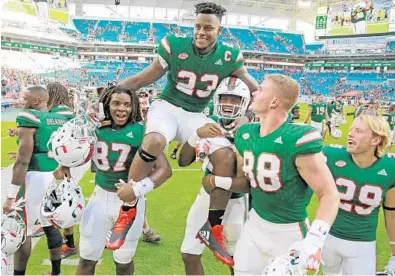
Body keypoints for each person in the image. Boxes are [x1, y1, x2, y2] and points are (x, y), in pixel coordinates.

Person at [108, 1, 259, 251]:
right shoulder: (175, 45)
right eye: (197, 26)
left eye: (208, 28)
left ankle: (214, 227)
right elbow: (142, 77)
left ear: (219, 31)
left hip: (196, 114)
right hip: (167, 107)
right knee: (154, 142)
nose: (201, 32)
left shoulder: (230, 56)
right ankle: (127, 210)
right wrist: (114, 92)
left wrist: (249, 115)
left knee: (224, 156)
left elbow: (257, 90)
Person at [202, 75, 339, 274]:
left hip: (289, 232)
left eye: (262, 89)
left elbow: (329, 194)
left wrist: (315, 240)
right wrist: (217, 178)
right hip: (255, 225)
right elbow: (246, 182)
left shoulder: (297, 138)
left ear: (274, 101)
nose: (254, 93)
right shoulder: (246, 134)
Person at [76, 86, 172, 275]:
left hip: (130, 203)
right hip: (99, 199)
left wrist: (137, 189)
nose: (122, 109)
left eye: (127, 104)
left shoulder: (142, 131)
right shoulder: (94, 128)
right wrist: (64, 164)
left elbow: (165, 170)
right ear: (106, 105)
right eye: (116, 103)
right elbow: (75, 151)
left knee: (123, 261)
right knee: (87, 258)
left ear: (134, 107)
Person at [179, 77, 250, 271]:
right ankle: (212, 228)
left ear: (244, 103)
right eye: (225, 98)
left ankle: (214, 227)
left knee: (236, 262)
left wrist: (215, 180)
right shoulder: (208, 123)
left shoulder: (253, 130)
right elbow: (183, 161)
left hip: (236, 201)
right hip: (206, 198)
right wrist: (197, 135)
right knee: (189, 254)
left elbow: (249, 183)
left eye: (235, 99)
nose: (228, 104)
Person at [2, 86, 68, 276]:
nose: (23, 103)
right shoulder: (59, 118)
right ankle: (56, 272)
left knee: (25, 230)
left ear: (36, 101)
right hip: (53, 176)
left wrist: (10, 196)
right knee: (50, 224)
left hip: (34, 178)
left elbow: (23, 161)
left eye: (26, 99)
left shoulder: (29, 117)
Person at [321, 115, 395, 275]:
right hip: (329, 238)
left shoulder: (390, 167)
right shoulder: (330, 155)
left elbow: (391, 215)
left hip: (363, 244)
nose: (350, 133)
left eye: (358, 131)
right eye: (352, 129)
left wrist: (394, 254)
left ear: (375, 139)